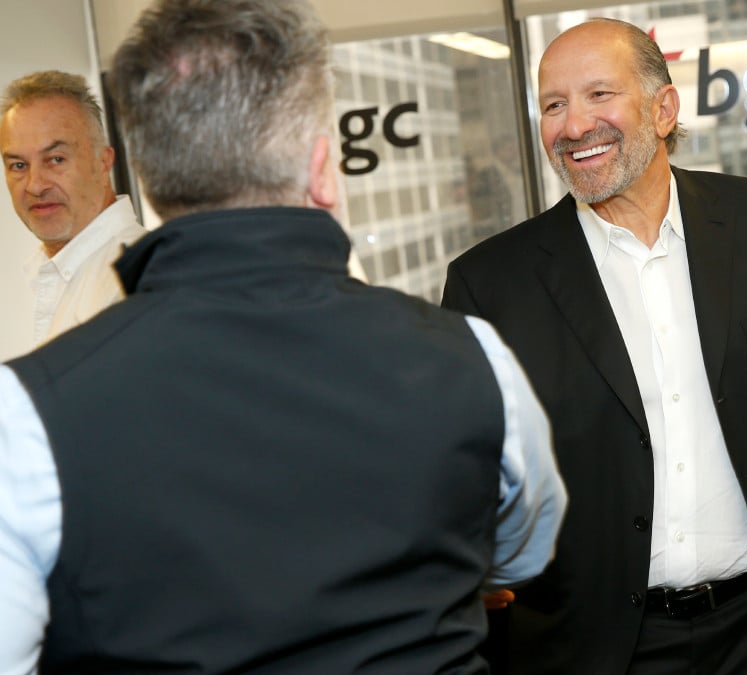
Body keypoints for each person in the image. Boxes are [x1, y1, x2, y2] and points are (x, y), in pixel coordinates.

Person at [0, 0, 565, 673]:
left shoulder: (29, 412)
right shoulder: (474, 357)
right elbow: (523, 550)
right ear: (323, 170)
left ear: (144, 176)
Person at [442, 17, 747, 675]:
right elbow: (465, 462)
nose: (574, 125)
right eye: (554, 104)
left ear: (663, 108)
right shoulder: (490, 282)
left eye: (599, 95)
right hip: (602, 644)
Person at [1, 70, 145, 346]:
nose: (35, 185)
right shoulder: (43, 277)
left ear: (102, 163)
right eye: (18, 165)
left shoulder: (135, 283)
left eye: (55, 159)